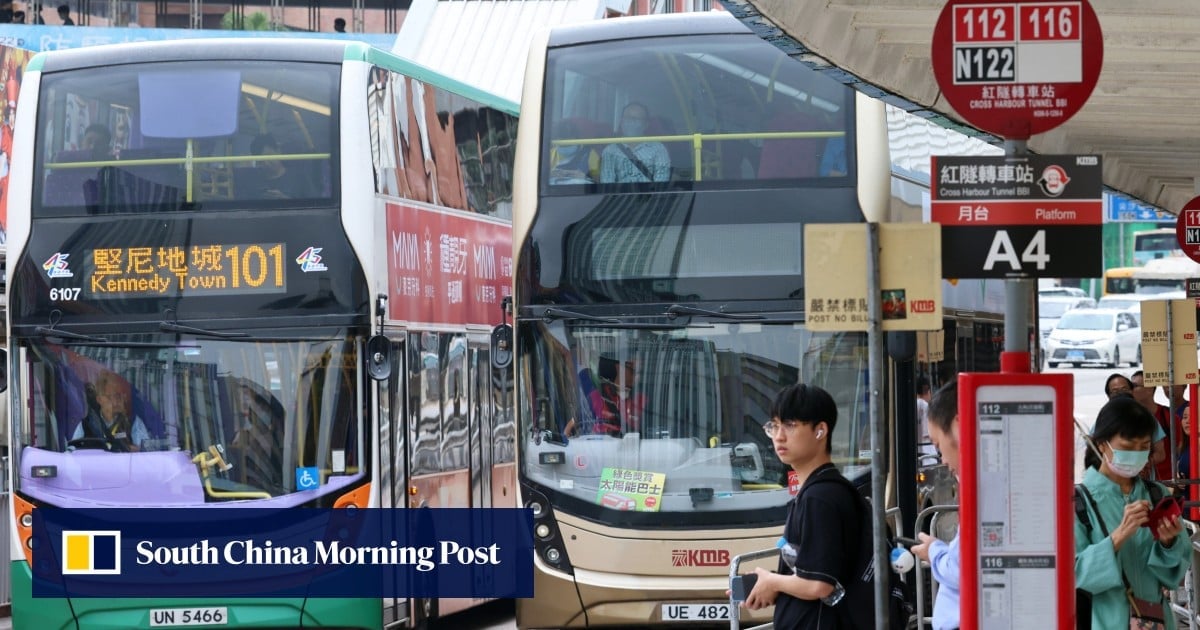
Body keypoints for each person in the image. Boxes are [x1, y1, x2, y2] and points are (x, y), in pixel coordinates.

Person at [738, 383, 864, 629]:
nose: (779, 436)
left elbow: (819, 584)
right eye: (774, 426)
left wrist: (772, 581)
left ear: (820, 431)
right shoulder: (826, 488)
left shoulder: (820, 497)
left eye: (791, 425)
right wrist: (772, 585)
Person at [1074, 394, 1190, 630]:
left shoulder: (1157, 494)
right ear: (1101, 444)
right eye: (1128, 447)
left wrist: (1169, 544)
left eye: (1144, 447)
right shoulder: (1078, 503)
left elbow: (1172, 574)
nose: (1137, 454)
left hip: (1155, 620)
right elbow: (1073, 576)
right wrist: (1119, 536)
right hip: (1102, 622)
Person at [912, 381, 961, 630]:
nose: (941, 458)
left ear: (958, 426)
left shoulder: (986, 492)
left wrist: (934, 551)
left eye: (938, 445)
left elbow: (960, 570)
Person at [71, 371, 150, 452]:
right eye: (109, 397)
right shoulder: (86, 424)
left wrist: (128, 449)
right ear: (99, 399)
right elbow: (71, 453)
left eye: (118, 396)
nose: (115, 402)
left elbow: (146, 452)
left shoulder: (133, 422)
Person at [600, 102, 670, 184]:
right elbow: (607, 183)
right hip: (619, 196)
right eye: (627, 118)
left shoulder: (658, 149)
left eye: (635, 119)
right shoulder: (610, 151)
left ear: (646, 124)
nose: (630, 122)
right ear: (621, 122)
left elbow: (661, 183)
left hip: (649, 196)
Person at [1132, 370, 1173, 480]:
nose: (1131, 390)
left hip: (1167, 483)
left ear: (1150, 389)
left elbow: (1179, 449)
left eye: (1135, 386)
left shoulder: (1169, 416)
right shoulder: (1127, 417)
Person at [248, 133, 309, 199]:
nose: (266, 164)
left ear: (278, 151)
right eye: (261, 161)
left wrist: (285, 199)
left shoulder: (299, 177)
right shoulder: (253, 181)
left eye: (268, 156)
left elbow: (313, 205)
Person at [549, 119, 599, 184]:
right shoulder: (550, 154)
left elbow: (598, 179)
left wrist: (585, 176)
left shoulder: (589, 153)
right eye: (562, 144)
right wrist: (550, 175)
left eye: (569, 143)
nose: (565, 146)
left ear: (576, 139)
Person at [916, 375, 935, 457]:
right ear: (928, 391)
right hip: (926, 450)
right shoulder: (925, 406)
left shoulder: (913, 404)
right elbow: (927, 432)